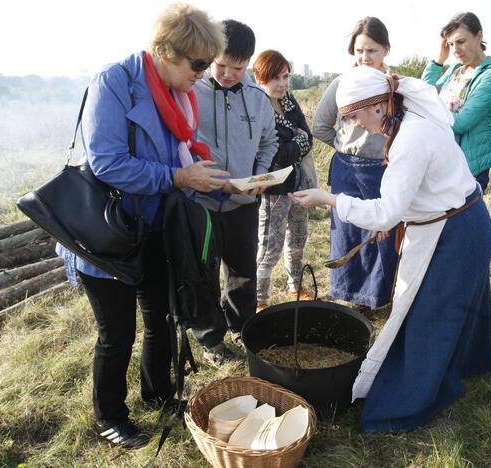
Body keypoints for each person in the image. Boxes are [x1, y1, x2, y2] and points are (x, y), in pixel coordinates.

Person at [55, 4, 227, 448]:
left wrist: (201, 171)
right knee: (117, 332)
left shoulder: (178, 93)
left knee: (161, 318)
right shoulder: (115, 82)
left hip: (155, 226)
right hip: (110, 233)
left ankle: (159, 394)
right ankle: (109, 416)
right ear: (167, 52)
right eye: (198, 64)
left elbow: (178, 152)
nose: (203, 74)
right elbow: (108, 162)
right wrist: (177, 176)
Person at [290, 66, 491, 432]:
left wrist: (330, 199)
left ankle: (405, 402)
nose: (354, 124)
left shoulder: (411, 137)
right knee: (456, 305)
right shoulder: (409, 119)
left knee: (430, 315)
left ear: (379, 106)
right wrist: (397, 217)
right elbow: (412, 195)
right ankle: (463, 364)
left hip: (456, 232)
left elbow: (386, 211)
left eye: (354, 116)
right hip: (460, 220)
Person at [193, 19, 278, 365]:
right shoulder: (191, 93)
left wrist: (259, 176)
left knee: (243, 269)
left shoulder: (258, 100)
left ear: (248, 64)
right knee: (205, 272)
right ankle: (211, 339)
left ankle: (242, 327)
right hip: (201, 202)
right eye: (221, 65)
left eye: (238, 68)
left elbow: (269, 142)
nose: (227, 74)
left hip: (244, 200)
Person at [312, 17, 397, 313]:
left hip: (383, 170)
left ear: (385, 49)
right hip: (347, 169)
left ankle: (374, 299)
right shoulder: (340, 83)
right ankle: (347, 293)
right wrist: (345, 145)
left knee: (379, 233)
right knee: (347, 232)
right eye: (359, 51)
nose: (364, 57)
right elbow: (321, 125)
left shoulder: (394, 85)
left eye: (371, 50)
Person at [252, 50, 316, 311]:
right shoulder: (258, 107)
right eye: (273, 78)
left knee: (298, 239)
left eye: (285, 76)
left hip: (299, 183)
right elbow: (275, 154)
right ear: (259, 79)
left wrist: (295, 144)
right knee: (269, 247)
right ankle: (259, 300)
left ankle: (295, 285)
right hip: (274, 188)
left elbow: (308, 137)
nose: (281, 84)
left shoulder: (289, 101)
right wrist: (296, 142)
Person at [421, 12, 491, 192]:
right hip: (445, 162)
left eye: (461, 41)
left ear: (479, 36)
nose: (455, 49)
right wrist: (439, 59)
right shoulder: (456, 69)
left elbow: (463, 122)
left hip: (470, 167)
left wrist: (428, 115)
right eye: (450, 44)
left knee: (464, 220)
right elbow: (425, 95)